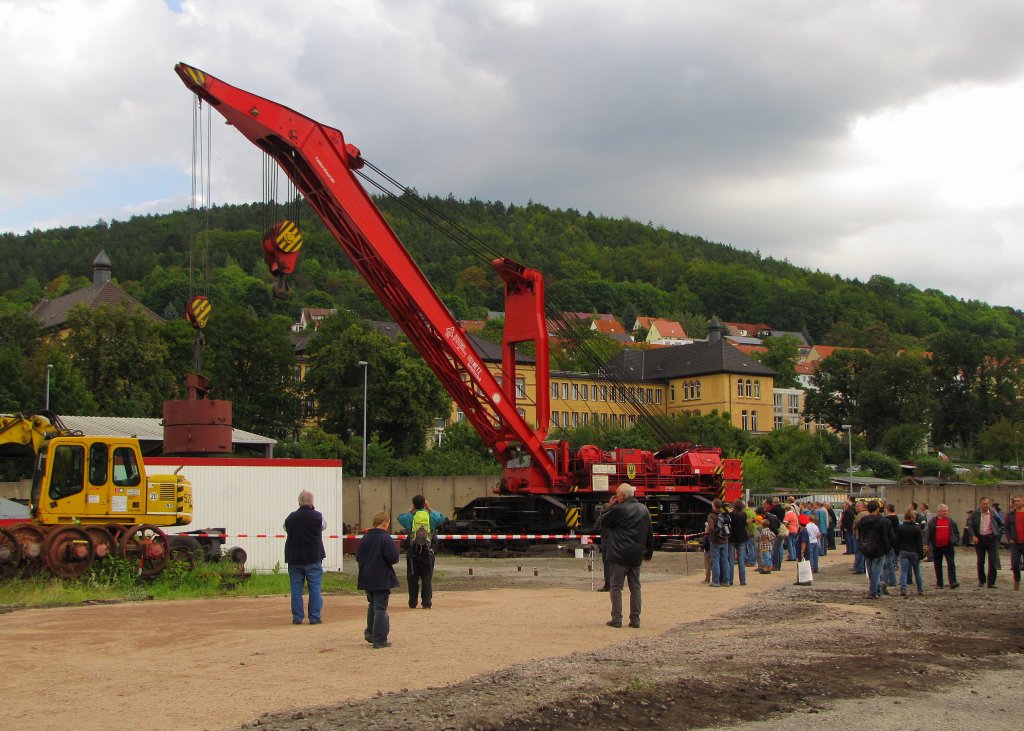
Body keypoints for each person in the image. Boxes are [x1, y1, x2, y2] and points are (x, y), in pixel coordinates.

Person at [595, 483, 653, 627]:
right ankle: (635, 619)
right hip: (636, 555)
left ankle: (617, 618)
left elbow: (601, 524)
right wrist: (648, 554)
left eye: (617, 494)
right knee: (635, 588)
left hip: (619, 554)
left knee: (616, 587)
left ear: (622, 495)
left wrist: (609, 507)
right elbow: (649, 533)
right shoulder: (643, 510)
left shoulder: (618, 509)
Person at [356, 510, 400, 648]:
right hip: (381, 577)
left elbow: (357, 557)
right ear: (385, 523)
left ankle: (370, 633)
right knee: (380, 608)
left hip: (366, 577)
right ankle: (379, 639)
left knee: (372, 605)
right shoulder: (385, 538)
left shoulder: (365, 538)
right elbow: (393, 558)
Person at [283, 489, 327, 625]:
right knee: (314, 588)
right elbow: (324, 526)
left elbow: (285, 527)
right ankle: (314, 617)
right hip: (313, 557)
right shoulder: (318, 516)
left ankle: (297, 617)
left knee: (296, 588)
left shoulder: (291, 517)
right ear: (312, 502)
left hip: (294, 558)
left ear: (299, 502)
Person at [396, 495, 447, 609]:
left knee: (412, 578)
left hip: (413, 552)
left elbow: (399, 518)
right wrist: (430, 509)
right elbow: (442, 517)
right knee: (427, 578)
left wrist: (411, 510)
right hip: (427, 552)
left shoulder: (410, 517)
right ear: (425, 503)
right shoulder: (431, 516)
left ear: (414, 504)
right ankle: (426, 603)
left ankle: (413, 602)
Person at [966, 497, 1004, 588]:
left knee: (992, 561)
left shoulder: (993, 513)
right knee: (980, 561)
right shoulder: (975, 513)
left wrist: (997, 534)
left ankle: (991, 582)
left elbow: (1001, 524)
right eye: (984, 504)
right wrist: (973, 536)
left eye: (987, 504)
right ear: (980, 504)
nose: (985, 505)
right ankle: (981, 580)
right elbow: (970, 526)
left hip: (991, 539)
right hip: (980, 540)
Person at [857, 500, 889, 599]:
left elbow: (860, 534)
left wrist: (861, 545)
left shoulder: (862, 521)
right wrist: (887, 549)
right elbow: (884, 536)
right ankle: (873, 591)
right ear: (877, 509)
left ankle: (877, 590)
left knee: (871, 570)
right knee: (876, 571)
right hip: (878, 549)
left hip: (866, 547)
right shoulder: (881, 521)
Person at [926, 503, 960, 589]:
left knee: (951, 564)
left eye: (946, 511)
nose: (946, 513)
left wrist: (955, 540)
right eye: (944, 511)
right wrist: (926, 544)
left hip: (948, 546)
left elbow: (956, 532)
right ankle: (939, 583)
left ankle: (952, 582)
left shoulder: (951, 521)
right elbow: (927, 533)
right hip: (936, 547)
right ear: (939, 512)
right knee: (937, 565)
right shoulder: (933, 522)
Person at [896, 508, 925, 596]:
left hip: (903, 551)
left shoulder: (900, 527)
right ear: (913, 517)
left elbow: (897, 541)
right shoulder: (917, 528)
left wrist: (897, 552)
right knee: (917, 572)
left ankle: (903, 589)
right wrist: (921, 555)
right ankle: (920, 590)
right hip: (914, 551)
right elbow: (920, 543)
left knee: (904, 571)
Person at [706, 498, 731, 587]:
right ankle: (726, 581)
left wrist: (713, 539)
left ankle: (716, 581)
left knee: (715, 560)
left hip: (716, 541)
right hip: (725, 540)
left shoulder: (712, 516)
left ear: (713, 505)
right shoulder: (725, 514)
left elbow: (711, 529)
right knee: (725, 560)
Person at [729, 499, 749, 586]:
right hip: (742, 538)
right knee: (741, 560)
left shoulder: (731, 515)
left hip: (732, 538)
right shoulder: (744, 515)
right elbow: (745, 524)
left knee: (731, 560)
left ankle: (730, 580)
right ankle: (743, 580)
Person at [1006, 495, 1024, 590]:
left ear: (1023, 502)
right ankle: (1017, 580)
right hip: (1015, 543)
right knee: (1015, 564)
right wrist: (1009, 538)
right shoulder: (1010, 514)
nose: (1016, 503)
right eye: (1015, 501)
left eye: (1018, 501)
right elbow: (1007, 528)